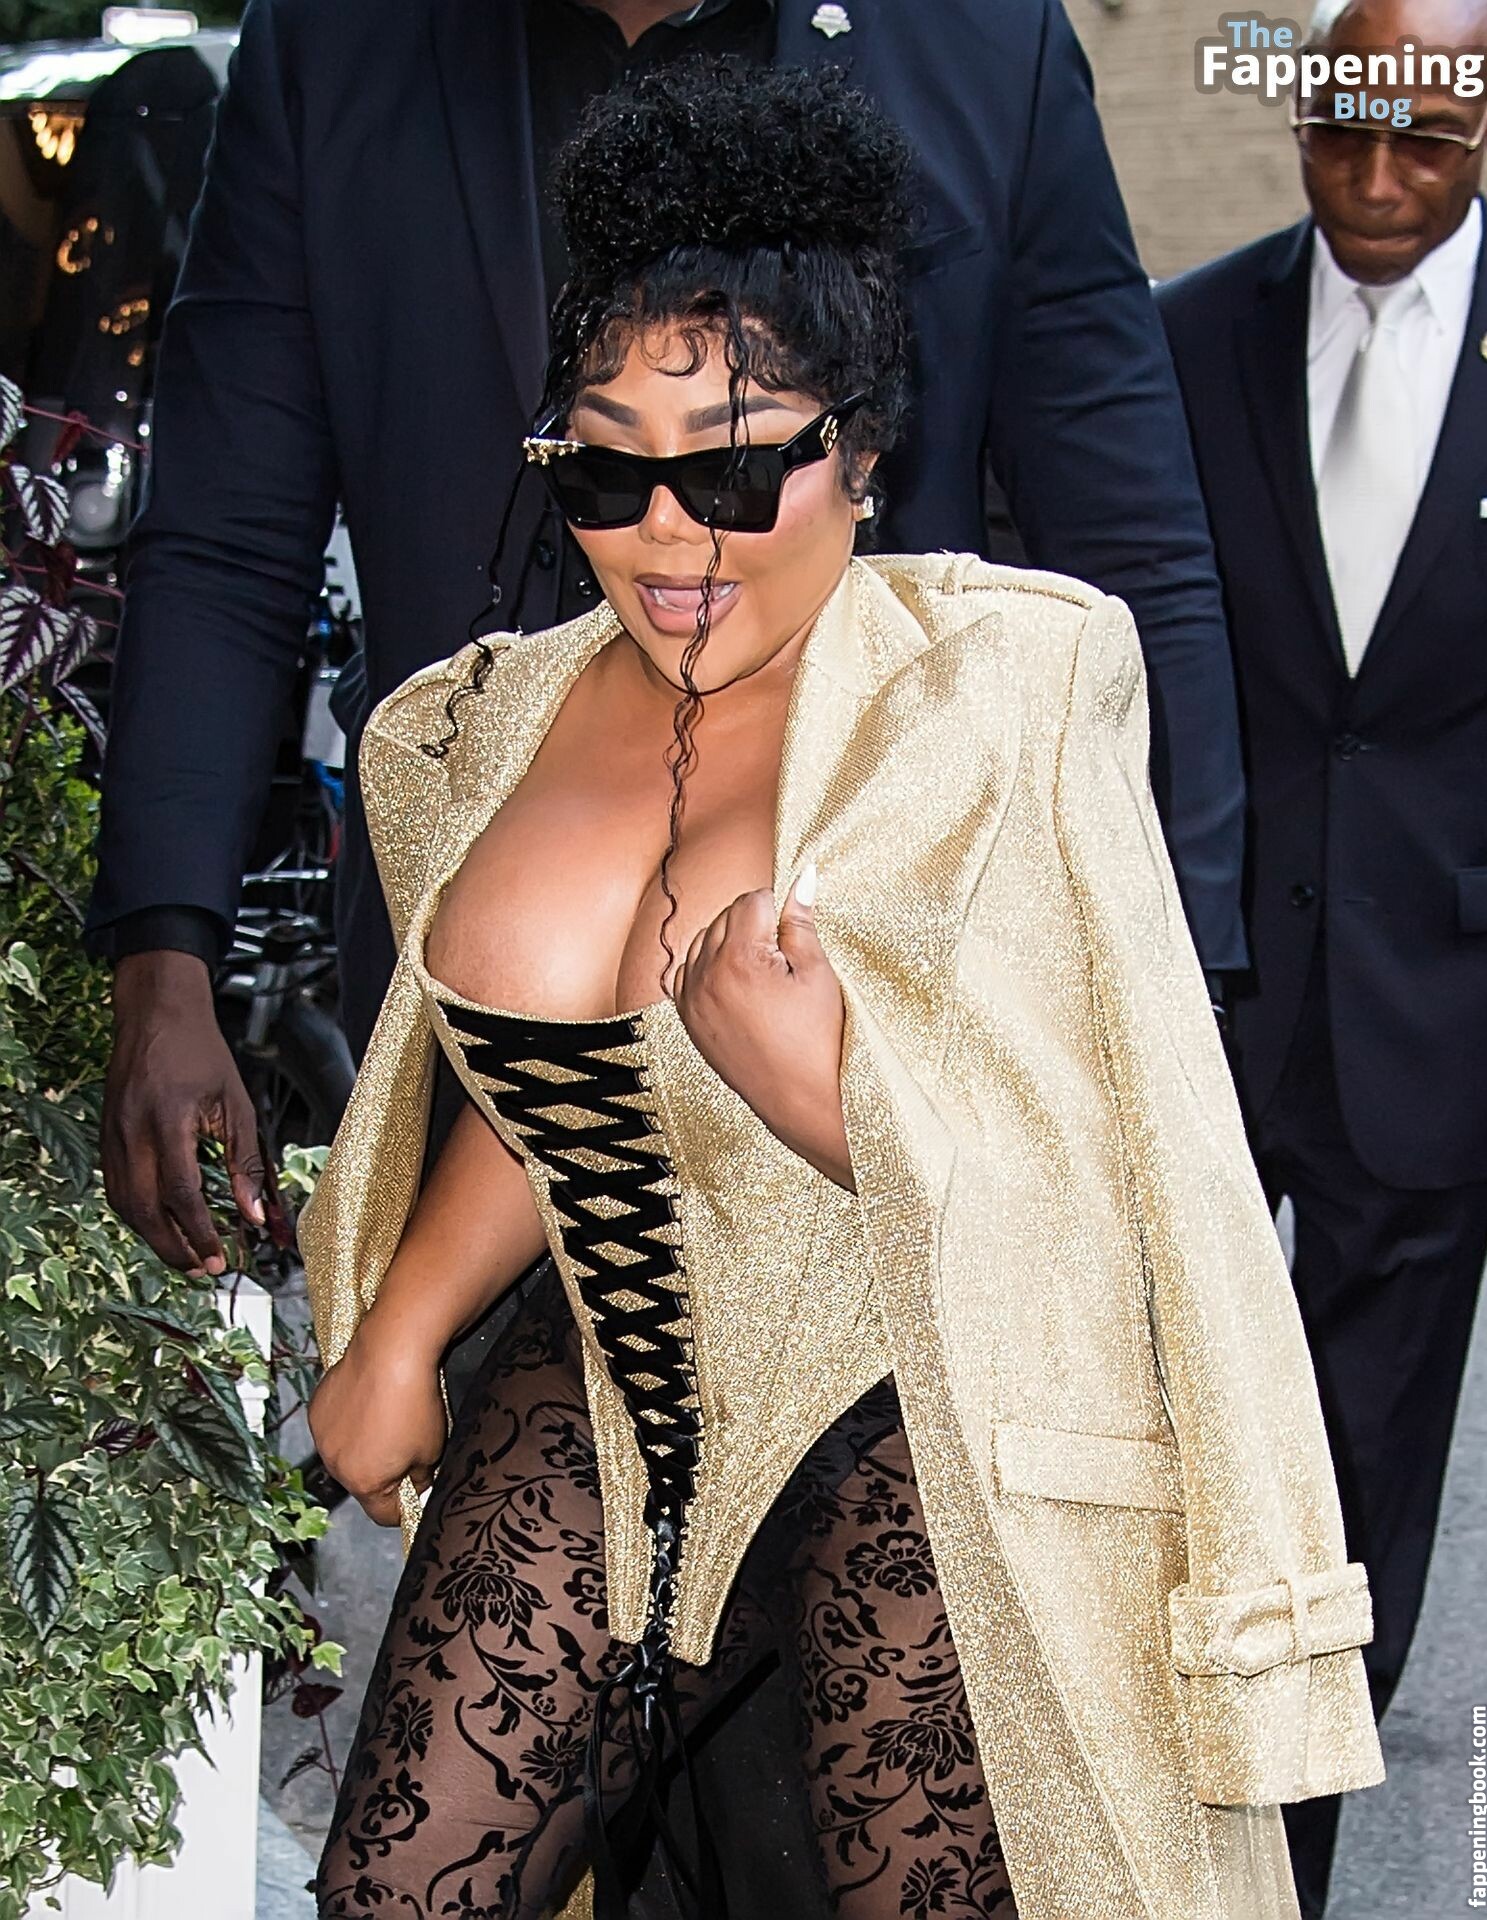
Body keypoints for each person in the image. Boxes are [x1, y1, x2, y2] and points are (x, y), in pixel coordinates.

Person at [302, 60, 1382, 1920]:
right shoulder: (467, 733)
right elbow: (558, 1100)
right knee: (399, 1896)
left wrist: (830, 1095)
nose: (669, 532)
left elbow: (1150, 1186)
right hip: (610, 1391)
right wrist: (402, 1328)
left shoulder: (1001, 691)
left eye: (733, 463)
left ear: (861, 450)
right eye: (607, 465)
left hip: (915, 1410)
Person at [86, 0, 1248, 1301]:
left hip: (875, 1016)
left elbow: (1133, 550)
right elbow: (226, 535)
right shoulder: (334, 41)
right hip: (484, 996)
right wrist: (164, 960)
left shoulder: (986, 41)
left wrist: (1175, 1011)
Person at [1154, 0, 1487, 1911]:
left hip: (1442, 1016)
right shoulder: (1182, 335)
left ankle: (1283, 1872)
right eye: (1340, 131)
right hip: (1199, 990)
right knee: (1153, 1442)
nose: (1374, 180)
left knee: (1362, 1483)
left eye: (1422, 141)